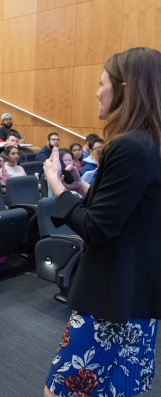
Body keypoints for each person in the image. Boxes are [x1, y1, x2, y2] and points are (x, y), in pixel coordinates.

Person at [43, 47, 161, 397]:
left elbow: (98, 228)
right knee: (120, 391)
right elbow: (133, 212)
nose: (96, 92)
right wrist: (81, 186)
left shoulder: (128, 147)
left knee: (60, 391)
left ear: (125, 89)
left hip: (112, 299)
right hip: (137, 296)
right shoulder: (151, 144)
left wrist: (53, 183)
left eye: (102, 83)